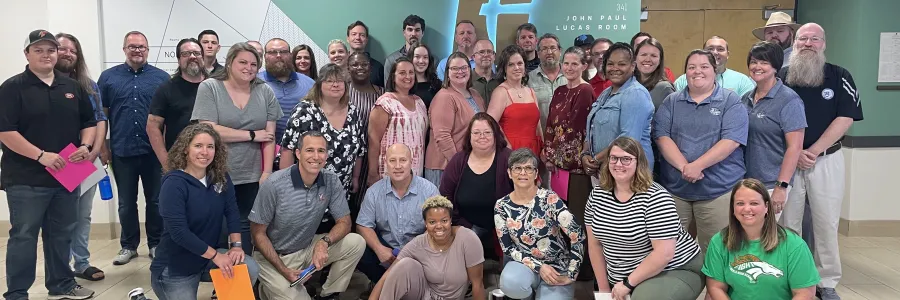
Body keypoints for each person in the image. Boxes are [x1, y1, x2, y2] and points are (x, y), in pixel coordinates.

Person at [0, 29, 98, 300]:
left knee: (61, 233)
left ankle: (62, 286)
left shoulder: (72, 86)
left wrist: (85, 147)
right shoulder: (12, 87)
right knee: (24, 236)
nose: (46, 54)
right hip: (25, 177)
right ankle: (17, 293)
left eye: (51, 50)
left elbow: (89, 123)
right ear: (27, 54)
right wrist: (41, 156)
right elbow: (6, 132)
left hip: (67, 173)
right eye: (39, 50)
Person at [778, 23, 864, 300]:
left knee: (825, 223)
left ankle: (826, 282)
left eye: (815, 39)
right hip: (787, 161)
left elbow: (846, 117)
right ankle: (789, 277)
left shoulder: (840, 76)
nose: (808, 43)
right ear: (795, 42)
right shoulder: (781, 76)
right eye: (803, 38)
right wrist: (796, 152)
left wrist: (812, 150)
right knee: (787, 222)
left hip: (826, 159)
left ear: (823, 44)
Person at [191, 42, 284, 255]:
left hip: (252, 175)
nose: (248, 67)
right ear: (230, 62)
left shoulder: (264, 91)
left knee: (244, 227)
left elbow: (269, 137)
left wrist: (267, 172)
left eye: (253, 64)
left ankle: (242, 279)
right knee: (219, 226)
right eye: (242, 62)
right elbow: (207, 129)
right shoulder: (210, 87)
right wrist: (251, 135)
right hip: (216, 172)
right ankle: (220, 279)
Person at [585, 137, 705, 300]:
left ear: (639, 162)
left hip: (673, 267)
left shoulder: (656, 197)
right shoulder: (597, 195)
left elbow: (664, 254)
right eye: (614, 158)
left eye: (626, 159)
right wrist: (604, 290)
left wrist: (627, 284)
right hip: (623, 275)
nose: (618, 164)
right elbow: (594, 245)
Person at [250, 131, 366, 300]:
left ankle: (328, 295)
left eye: (321, 151)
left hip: (305, 248)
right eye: (310, 150)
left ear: (326, 155)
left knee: (356, 242)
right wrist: (283, 269)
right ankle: (265, 290)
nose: (316, 156)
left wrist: (324, 243)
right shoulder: (274, 184)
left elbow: (345, 222)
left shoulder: (331, 180)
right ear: (298, 153)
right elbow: (257, 234)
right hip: (273, 257)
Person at [150, 123, 261, 300]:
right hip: (175, 267)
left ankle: (221, 294)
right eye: (198, 146)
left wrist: (236, 246)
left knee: (249, 267)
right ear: (186, 149)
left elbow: (232, 210)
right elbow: (179, 232)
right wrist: (217, 256)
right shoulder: (174, 183)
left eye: (210, 147)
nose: (205, 152)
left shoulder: (220, 177)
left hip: (205, 259)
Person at [653, 49, 749, 251]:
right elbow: (662, 136)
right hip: (676, 191)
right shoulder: (672, 101)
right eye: (691, 67)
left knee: (718, 251)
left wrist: (698, 165)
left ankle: (716, 284)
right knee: (672, 251)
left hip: (718, 190)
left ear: (715, 71)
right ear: (685, 72)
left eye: (704, 67)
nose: (698, 71)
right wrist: (685, 167)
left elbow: (731, 140)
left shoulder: (730, 101)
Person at [99, 30, 170, 265]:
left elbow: (166, 118)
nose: (137, 50)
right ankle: (128, 246)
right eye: (132, 46)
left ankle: (156, 243)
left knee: (157, 200)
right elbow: (102, 117)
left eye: (141, 47)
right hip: (121, 151)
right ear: (124, 49)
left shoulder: (161, 78)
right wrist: (102, 148)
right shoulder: (108, 78)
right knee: (126, 203)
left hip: (153, 152)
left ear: (148, 50)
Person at [279, 63, 366, 231]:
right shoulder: (305, 110)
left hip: (342, 189)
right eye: (329, 81)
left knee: (335, 235)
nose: (335, 85)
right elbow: (288, 148)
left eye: (340, 81)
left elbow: (360, 150)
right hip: (306, 190)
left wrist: (355, 178)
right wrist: (288, 185)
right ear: (319, 85)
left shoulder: (353, 112)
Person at [702, 178, 819, 300]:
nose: (747, 209)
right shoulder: (719, 241)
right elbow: (715, 288)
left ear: (766, 206)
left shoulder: (794, 244)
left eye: (754, 203)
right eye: (740, 203)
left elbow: (805, 293)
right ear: (733, 208)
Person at [496, 148, 585, 300]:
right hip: (524, 265)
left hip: (556, 268)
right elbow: (508, 248)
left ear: (536, 173)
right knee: (510, 282)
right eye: (517, 168)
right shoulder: (501, 205)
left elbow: (578, 234)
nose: (523, 173)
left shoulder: (550, 199)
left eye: (528, 168)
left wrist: (572, 273)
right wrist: (539, 267)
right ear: (510, 173)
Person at [55, 32, 108, 282]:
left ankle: (81, 263)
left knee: (82, 214)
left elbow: (99, 119)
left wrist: (94, 150)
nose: (68, 54)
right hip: (57, 160)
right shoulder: (43, 84)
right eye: (63, 49)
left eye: (73, 51)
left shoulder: (88, 85)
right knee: (62, 216)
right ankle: (61, 266)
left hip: (85, 157)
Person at [543, 46, 596, 282]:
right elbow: (551, 126)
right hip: (556, 167)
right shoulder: (560, 90)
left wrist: (554, 156)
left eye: (576, 64)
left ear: (584, 66)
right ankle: (562, 261)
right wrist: (547, 152)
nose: (570, 68)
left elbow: (575, 132)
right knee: (558, 216)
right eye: (567, 63)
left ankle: (582, 270)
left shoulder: (585, 91)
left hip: (575, 168)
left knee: (576, 219)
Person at [369, 196, 486, 300]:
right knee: (405, 264)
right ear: (425, 224)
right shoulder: (418, 243)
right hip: (423, 295)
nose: (439, 226)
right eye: (432, 222)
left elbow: (478, 284)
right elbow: (388, 276)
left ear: (451, 220)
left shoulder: (467, 239)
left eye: (444, 220)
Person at [356, 144, 439, 285]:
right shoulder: (374, 192)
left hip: (419, 249)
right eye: (392, 160)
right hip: (387, 251)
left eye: (403, 160)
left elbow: (437, 226)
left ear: (411, 162)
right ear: (385, 163)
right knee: (359, 248)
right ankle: (381, 282)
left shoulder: (429, 190)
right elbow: (362, 225)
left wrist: (413, 252)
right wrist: (379, 249)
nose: (398, 166)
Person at [742, 41, 807, 214]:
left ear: (776, 67)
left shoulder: (789, 100)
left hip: (772, 183)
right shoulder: (745, 98)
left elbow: (795, 147)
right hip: (746, 181)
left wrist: (781, 186)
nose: (757, 67)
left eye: (764, 62)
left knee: (766, 236)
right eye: (754, 62)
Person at [441, 113, 514, 259]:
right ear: (469, 135)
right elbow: (445, 196)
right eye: (477, 132)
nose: (482, 136)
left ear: (495, 135)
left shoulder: (509, 158)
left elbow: (524, 192)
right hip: (467, 225)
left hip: (505, 226)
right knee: (457, 265)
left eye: (487, 132)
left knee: (510, 273)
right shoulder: (458, 161)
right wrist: (460, 225)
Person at [583, 42, 655, 176]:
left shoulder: (636, 93)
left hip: (630, 175)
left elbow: (628, 140)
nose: (615, 68)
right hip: (604, 171)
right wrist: (585, 154)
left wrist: (595, 160)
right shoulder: (606, 93)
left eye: (621, 64)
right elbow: (592, 128)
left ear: (633, 66)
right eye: (610, 64)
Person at [425, 52, 486, 188]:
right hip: (445, 166)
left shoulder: (475, 95)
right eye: (455, 68)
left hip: (469, 165)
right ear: (447, 72)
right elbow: (442, 136)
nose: (460, 72)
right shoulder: (444, 97)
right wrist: (458, 165)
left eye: (464, 67)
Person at [367, 57, 429, 186]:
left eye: (411, 72)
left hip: (415, 172)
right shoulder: (384, 103)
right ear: (393, 76)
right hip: (390, 172)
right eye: (402, 73)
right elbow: (373, 140)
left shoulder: (419, 102)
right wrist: (373, 173)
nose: (408, 76)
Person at [149, 38, 207, 168]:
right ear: (179, 60)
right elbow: (152, 126)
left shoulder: (214, 86)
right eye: (186, 54)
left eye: (196, 53)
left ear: (203, 58)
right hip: (179, 161)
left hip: (211, 158)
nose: (192, 57)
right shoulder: (166, 88)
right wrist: (166, 162)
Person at [347, 52, 385, 216]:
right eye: (355, 64)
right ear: (348, 68)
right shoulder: (342, 92)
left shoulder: (382, 94)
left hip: (373, 156)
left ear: (370, 68)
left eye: (364, 64)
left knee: (368, 204)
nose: (360, 68)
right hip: (348, 157)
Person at [487, 45, 542, 158]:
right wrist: (507, 147)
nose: (516, 68)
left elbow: (538, 125)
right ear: (504, 69)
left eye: (520, 63)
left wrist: (543, 147)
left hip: (533, 151)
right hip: (510, 151)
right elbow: (490, 122)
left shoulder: (531, 91)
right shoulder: (500, 92)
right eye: (511, 64)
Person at [260, 38, 315, 144]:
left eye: (284, 52)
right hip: (264, 150)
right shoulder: (255, 82)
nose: (278, 55)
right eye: (272, 52)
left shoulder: (310, 84)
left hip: (301, 152)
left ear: (290, 56)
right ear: (265, 56)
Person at [674, 36, 756, 97]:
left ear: (728, 54)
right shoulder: (683, 80)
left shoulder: (742, 81)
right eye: (710, 49)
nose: (715, 52)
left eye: (720, 49)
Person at [528, 33, 567, 134]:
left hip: (568, 138)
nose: (549, 52)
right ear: (538, 53)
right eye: (544, 49)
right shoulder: (528, 79)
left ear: (560, 51)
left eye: (553, 48)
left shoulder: (571, 75)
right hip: (540, 138)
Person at [635, 38, 676, 110]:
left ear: (660, 60)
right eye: (643, 55)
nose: (647, 59)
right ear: (635, 58)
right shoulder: (628, 84)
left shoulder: (664, 88)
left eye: (653, 56)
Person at [384, 14, 425, 87]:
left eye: (417, 30)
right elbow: (388, 90)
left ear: (423, 33)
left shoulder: (432, 61)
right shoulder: (391, 60)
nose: (413, 34)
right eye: (410, 29)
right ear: (404, 32)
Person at [346, 20, 385, 87]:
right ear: (348, 39)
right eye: (354, 34)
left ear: (366, 40)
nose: (357, 38)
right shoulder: (340, 65)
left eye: (362, 35)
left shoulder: (377, 68)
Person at [407, 42, 441, 108]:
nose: (421, 61)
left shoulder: (437, 84)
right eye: (417, 57)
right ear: (411, 58)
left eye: (425, 57)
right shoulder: (403, 83)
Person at [472, 39, 498, 104]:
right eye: (481, 52)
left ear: (494, 56)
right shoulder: (466, 81)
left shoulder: (501, 81)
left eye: (489, 52)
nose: (486, 55)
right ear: (473, 57)